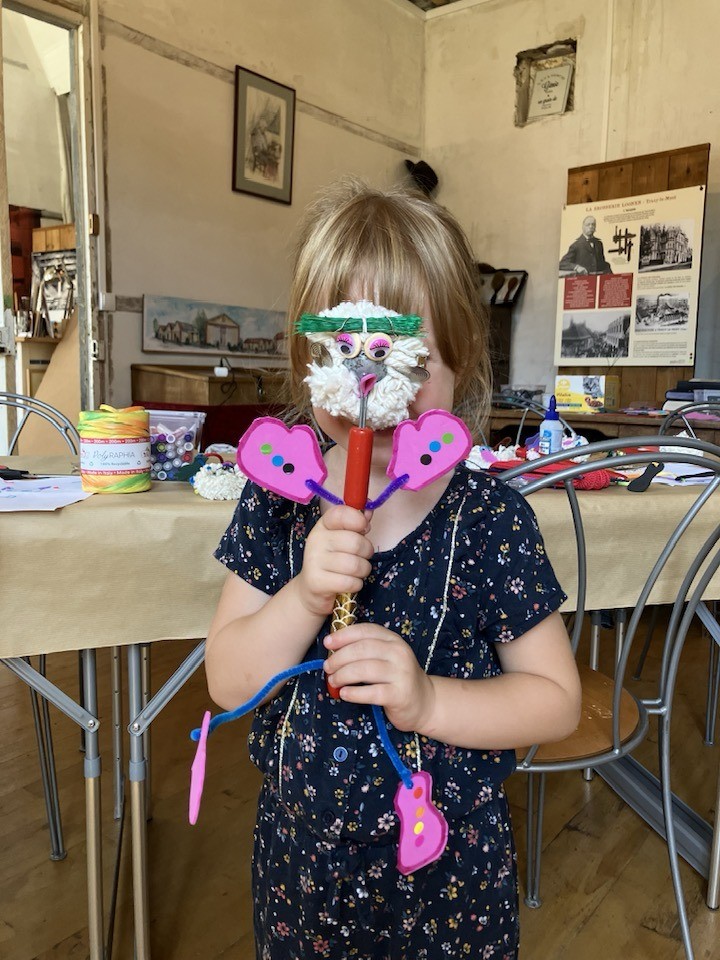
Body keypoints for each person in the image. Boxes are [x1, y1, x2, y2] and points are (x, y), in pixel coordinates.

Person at [205, 178, 582, 959]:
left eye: (404, 357)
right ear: (308, 360)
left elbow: (556, 703)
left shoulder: (489, 522)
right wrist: (304, 595)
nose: (374, 386)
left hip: (450, 884)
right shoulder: (278, 502)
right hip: (300, 874)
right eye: (346, 352)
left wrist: (427, 699)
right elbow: (229, 681)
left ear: (459, 364)